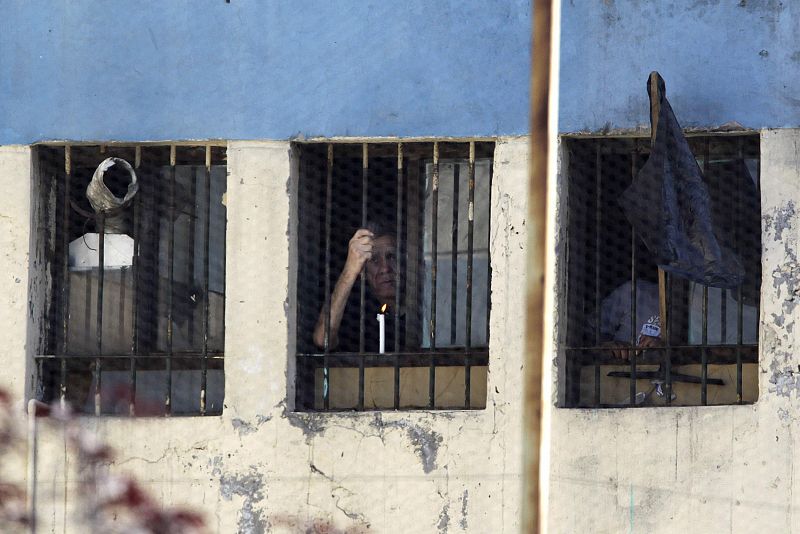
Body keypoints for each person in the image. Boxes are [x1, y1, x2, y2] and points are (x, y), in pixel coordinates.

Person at [312, 223, 403, 352]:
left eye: (391, 257)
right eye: (375, 260)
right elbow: (322, 339)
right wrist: (350, 269)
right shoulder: (358, 318)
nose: (385, 268)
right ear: (363, 272)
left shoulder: (422, 312)